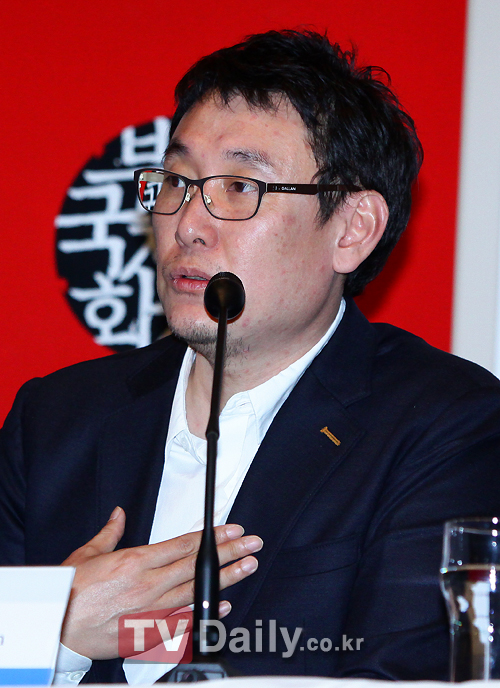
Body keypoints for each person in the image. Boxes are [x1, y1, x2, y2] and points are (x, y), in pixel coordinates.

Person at [2, 28, 500, 684]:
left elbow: (405, 675)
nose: (187, 224)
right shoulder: (54, 420)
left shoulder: (446, 426)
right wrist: (52, 632)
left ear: (352, 230)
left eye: (240, 187)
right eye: (177, 181)